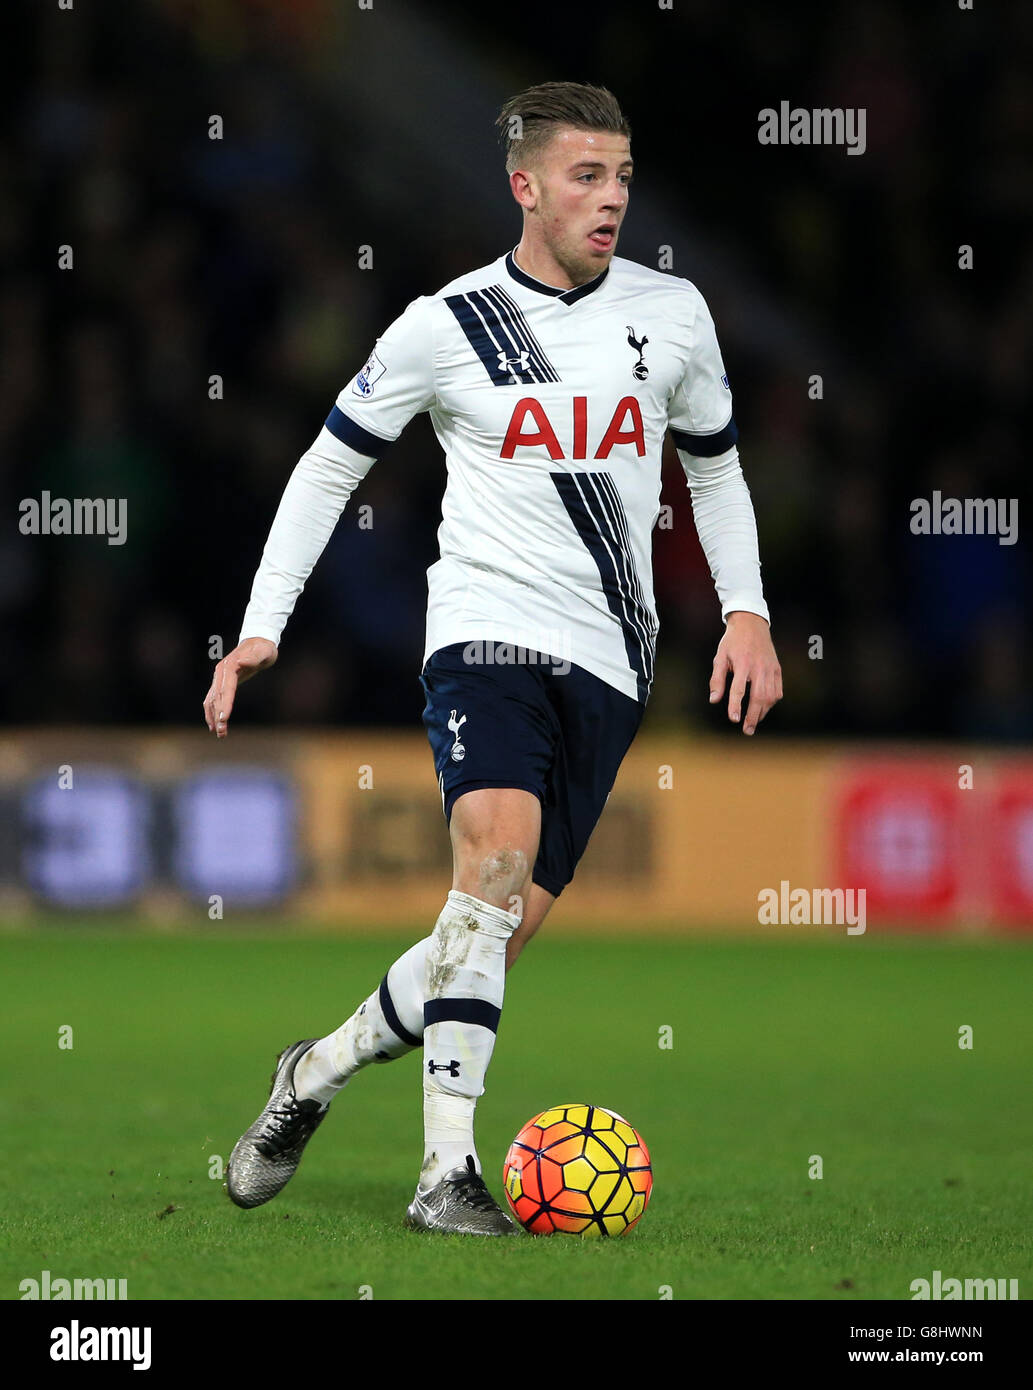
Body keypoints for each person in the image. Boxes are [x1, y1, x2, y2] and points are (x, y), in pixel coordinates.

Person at [202, 81, 782, 1235]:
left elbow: (710, 467)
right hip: (483, 633)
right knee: (495, 863)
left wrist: (749, 611)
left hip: (613, 659)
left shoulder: (673, 314)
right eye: (585, 176)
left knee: (488, 932)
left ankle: (313, 1070)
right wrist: (263, 622)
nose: (610, 197)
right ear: (524, 186)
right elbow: (327, 466)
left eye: (620, 176)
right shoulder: (444, 324)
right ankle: (445, 1175)